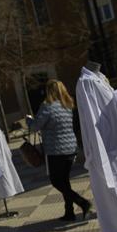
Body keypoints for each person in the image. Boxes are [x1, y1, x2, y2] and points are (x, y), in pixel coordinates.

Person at [27, 79, 91, 221]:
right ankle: (69, 212)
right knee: (64, 181)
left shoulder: (47, 107)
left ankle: (83, 203)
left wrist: (29, 120)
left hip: (55, 150)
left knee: (56, 181)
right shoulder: (67, 106)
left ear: (49, 91)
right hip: (70, 149)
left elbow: (35, 127)